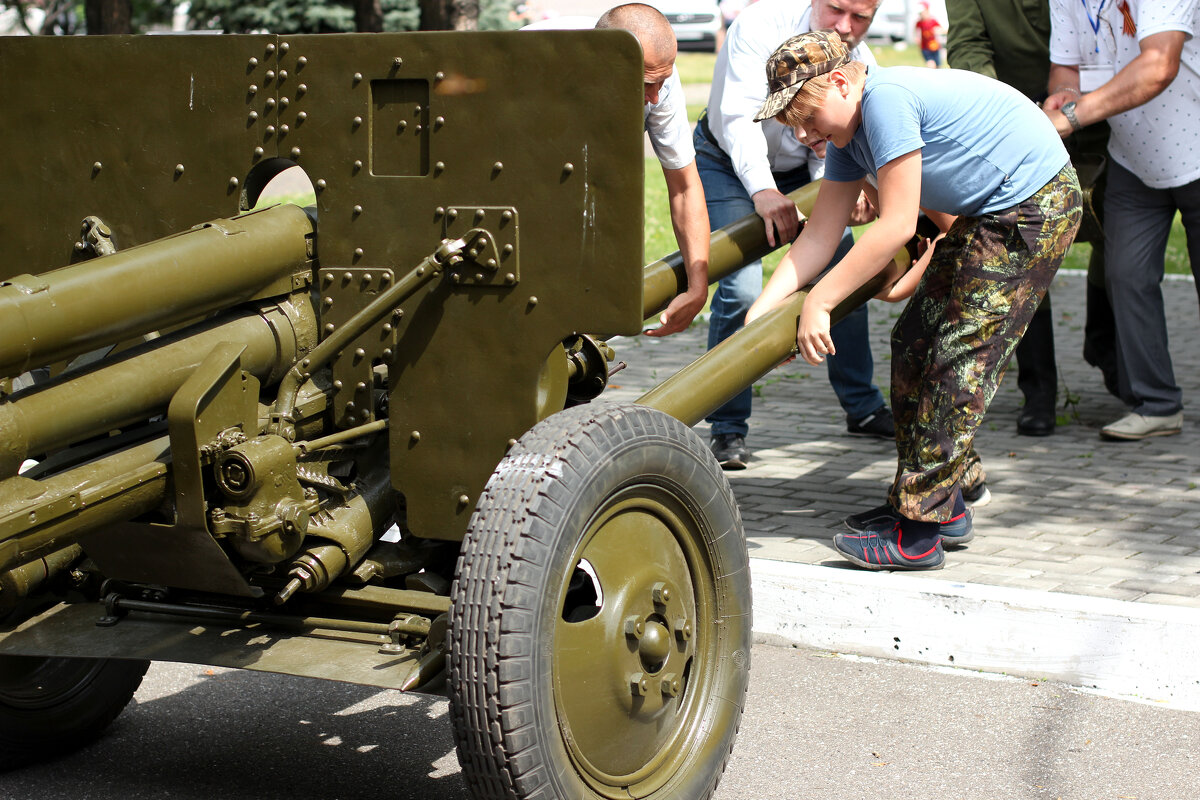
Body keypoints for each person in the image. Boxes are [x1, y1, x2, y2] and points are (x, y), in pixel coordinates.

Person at [746, 30, 1081, 569]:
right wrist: (758, 319)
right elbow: (819, 235)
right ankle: (942, 502)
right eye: (794, 124)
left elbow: (897, 225)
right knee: (914, 342)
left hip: (1033, 206)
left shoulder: (886, 102)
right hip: (991, 213)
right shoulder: (846, 136)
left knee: (957, 359)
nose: (804, 133)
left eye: (808, 117)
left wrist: (821, 301)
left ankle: (917, 532)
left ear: (838, 82)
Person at [695, 0, 894, 472]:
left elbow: (836, 142)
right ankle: (727, 426)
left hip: (805, 165)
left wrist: (848, 192)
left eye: (861, 18)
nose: (846, 27)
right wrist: (763, 190)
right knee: (741, 285)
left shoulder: (861, 61)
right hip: (730, 159)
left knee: (843, 268)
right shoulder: (759, 25)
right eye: (836, 10)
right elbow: (737, 119)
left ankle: (862, 405)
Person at [946, 0, 1118, 436]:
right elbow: (968, 46)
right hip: (1017, 125)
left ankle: (1107, 348)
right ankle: (1038, 391)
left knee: (1117, 238)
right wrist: (1004, 110)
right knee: (1024, 253)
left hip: (1101, 120)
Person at [1045, 0, 1199, 441]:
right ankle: (1157, 404)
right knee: (1125, 277)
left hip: (1196, 151)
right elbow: (1065, 68)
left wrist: (1070, 117)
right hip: (1133, 156)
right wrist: (1065, 93)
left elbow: (1159, 65)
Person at [524, 5, 711, 338]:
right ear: (606, 63)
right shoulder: (533, 67)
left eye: (661, 82)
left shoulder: (656, 75)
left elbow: (684, 187)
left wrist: (698, 286)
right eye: (646, 84)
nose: (655, 98)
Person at [914, 2, 945, 68]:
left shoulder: (933, 21)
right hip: (925, 48)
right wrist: (917, 38)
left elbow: (941, 29)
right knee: (931, 64)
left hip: (935, 47)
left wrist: (937, 30)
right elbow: (916, 31)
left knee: (938, 66)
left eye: (922, 12)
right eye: (920, 13)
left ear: (927, 10)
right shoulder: (919, 23)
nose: (921, 15)